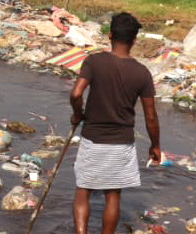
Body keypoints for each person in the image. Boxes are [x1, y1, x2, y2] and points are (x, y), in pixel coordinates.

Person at [69, 12, 161, 234]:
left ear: (110, 35)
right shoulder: (142, 73)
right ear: (134, 40)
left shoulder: (94, 61)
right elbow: (151, 116)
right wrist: (155, 145)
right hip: (121, 143)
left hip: (93, 138)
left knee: (84, 190)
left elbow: (75, 93)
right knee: (113, 195)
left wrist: (77, 114)